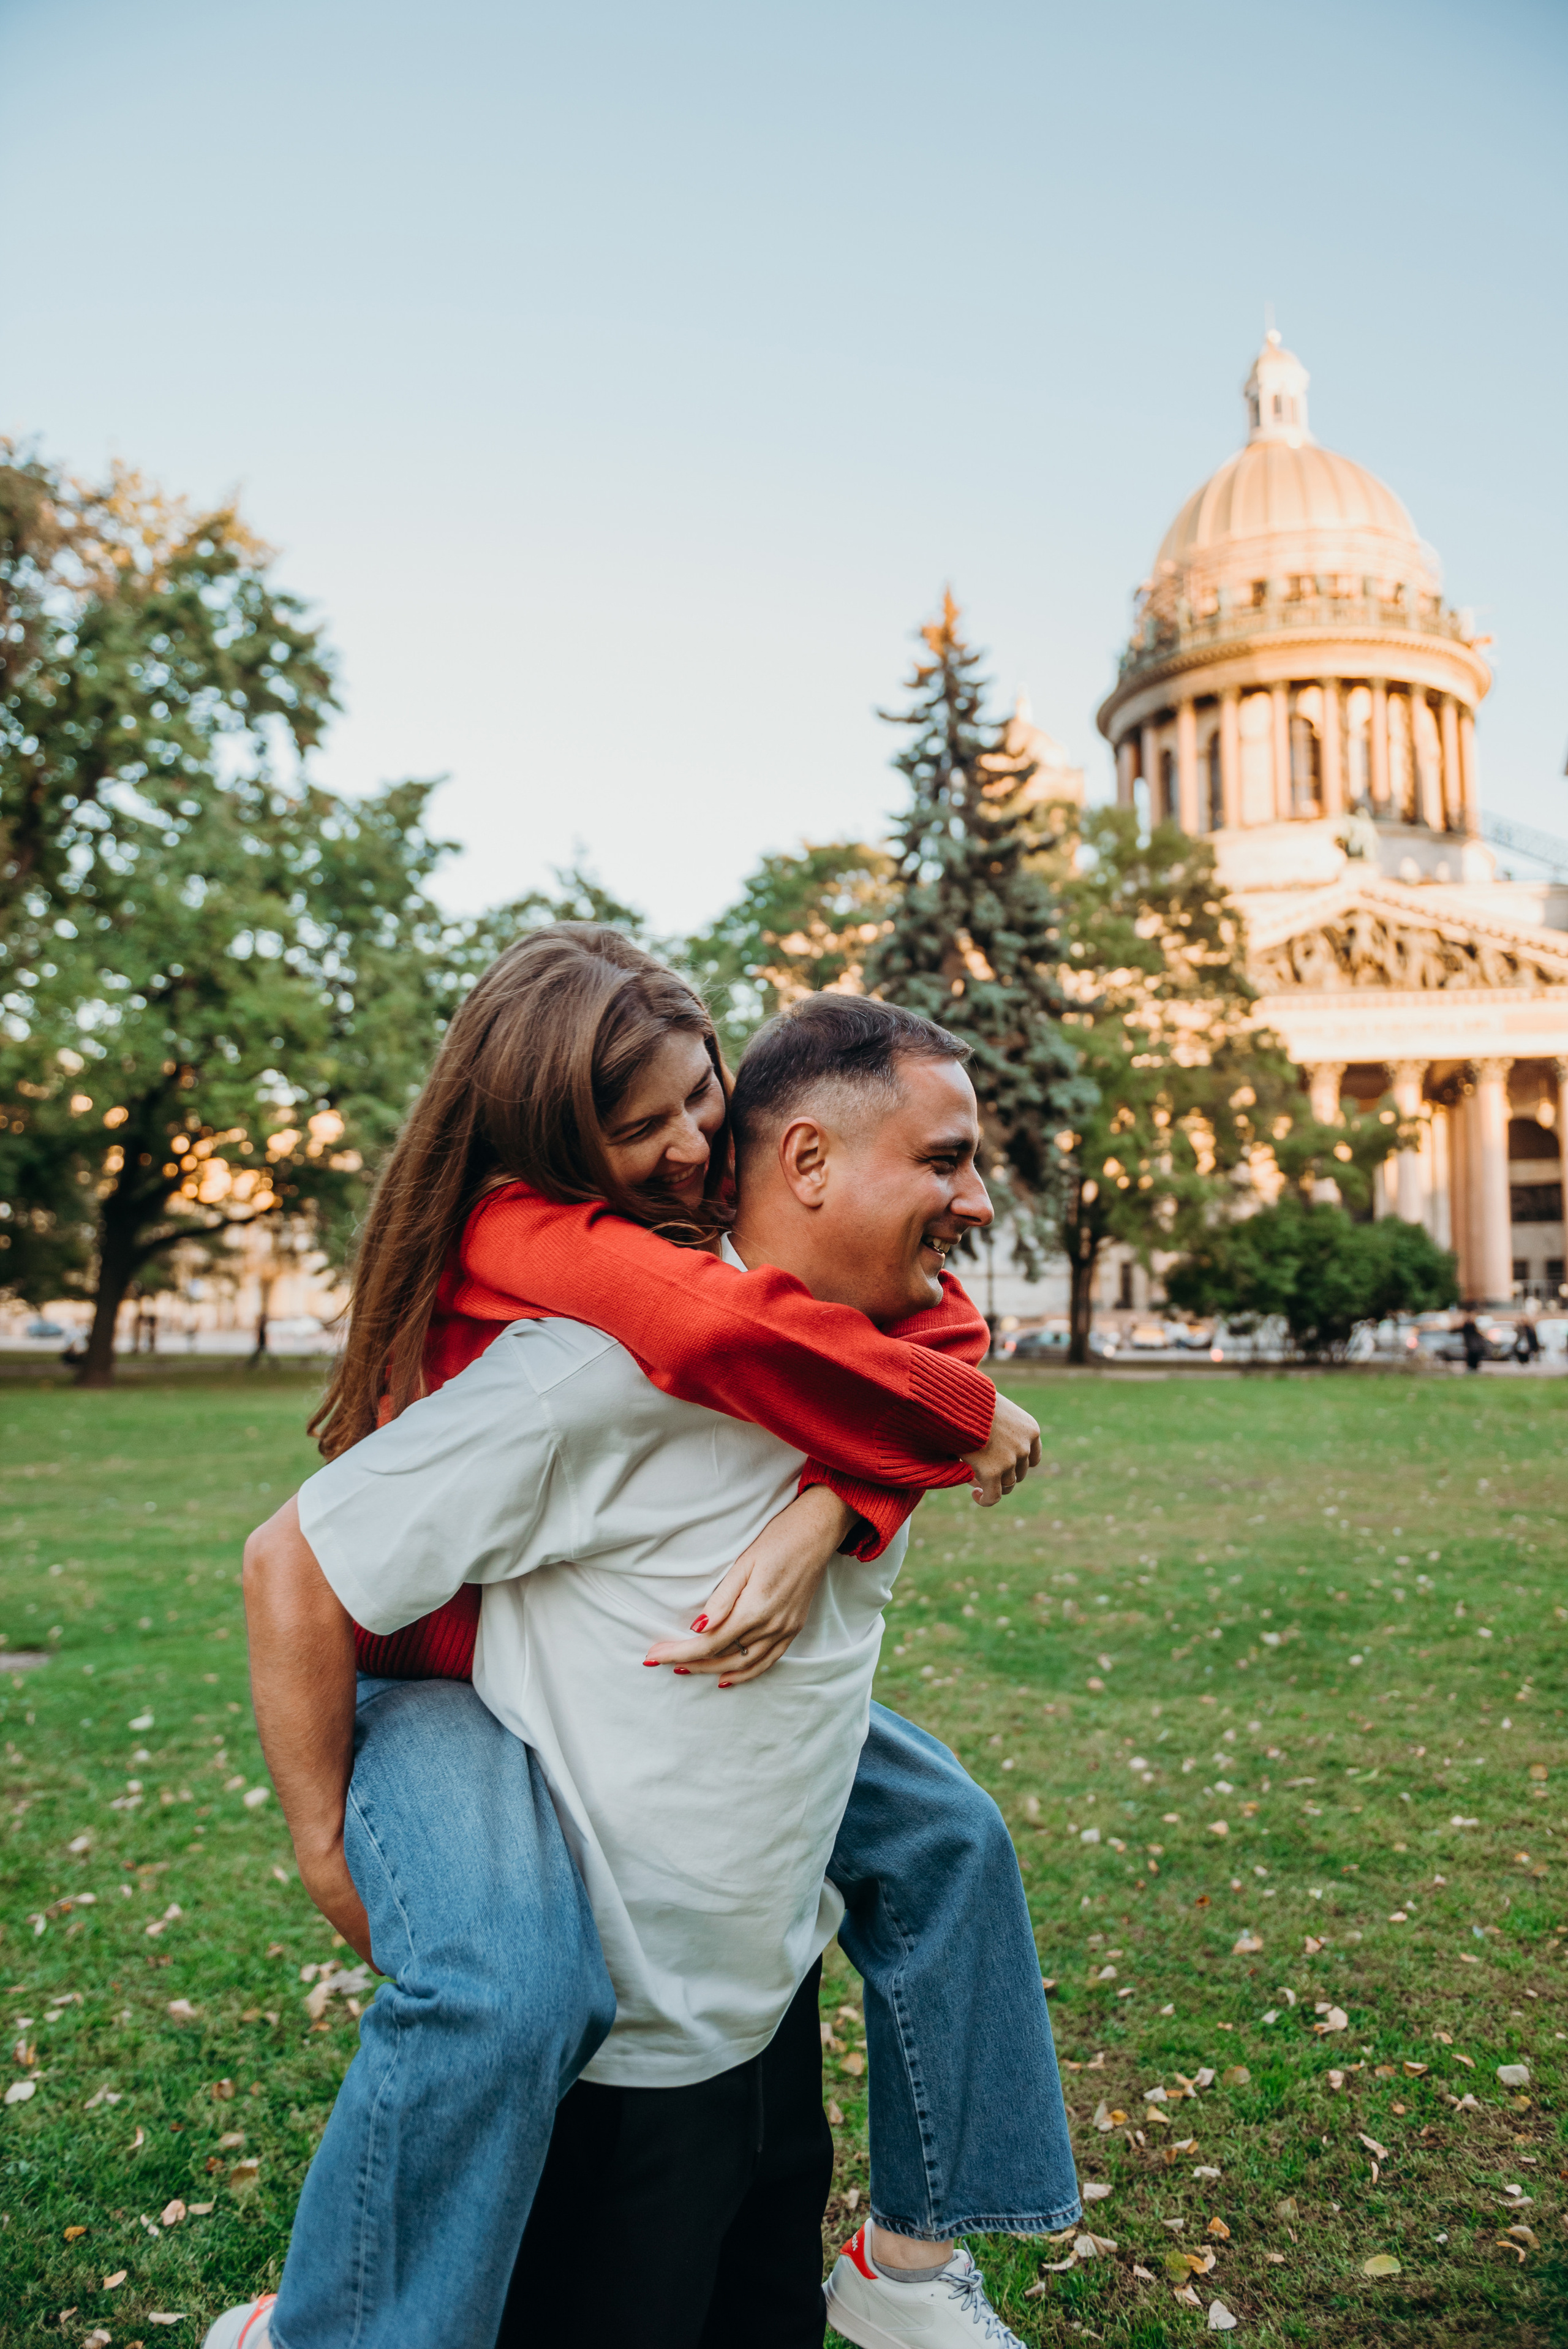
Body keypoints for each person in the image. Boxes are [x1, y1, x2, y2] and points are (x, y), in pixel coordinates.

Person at [213, 934, 1079, 2349]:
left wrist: (836, 1502)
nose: (693, 1148)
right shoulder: (573, 1291)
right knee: (506, 1988)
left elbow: (921, 1350)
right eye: (645, 1126)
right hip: (429, 1682)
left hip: (743, 1973)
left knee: (945, 1837)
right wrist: (324, 1851)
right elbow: (296, 1561)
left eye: (703, 1099)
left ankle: (909, 2269)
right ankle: (316, 2331)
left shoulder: (845, 1320)